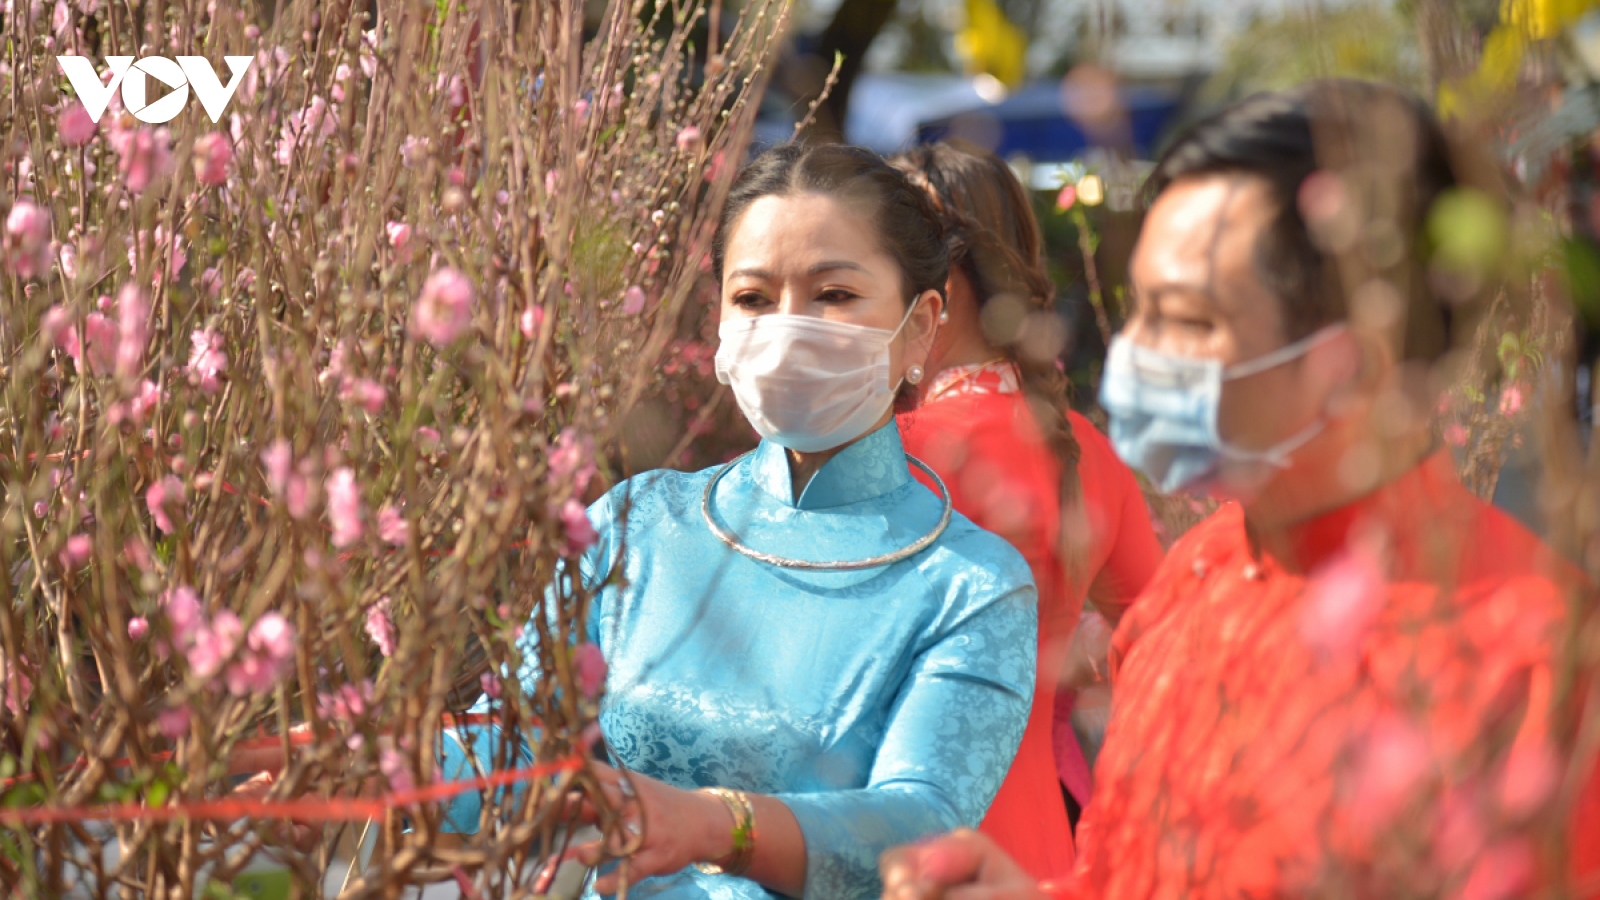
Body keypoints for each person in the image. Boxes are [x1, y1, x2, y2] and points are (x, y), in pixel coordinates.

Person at [879, 79, 1600, 899]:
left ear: (1353, 359)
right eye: (1138, 311)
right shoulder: (1193, 583)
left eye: (1186, 321)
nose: (1135, 357)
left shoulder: (1536, 667)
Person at [442, 143, 1039, 900]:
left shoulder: (970, 585)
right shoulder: (637, 522)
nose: (789, 329)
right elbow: (516, 748)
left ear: (921, 328)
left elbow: (920, 829)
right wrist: (363, 772)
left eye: (834, 295)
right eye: (754, 298)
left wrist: (715, 824)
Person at [888, 142, 1162, 880]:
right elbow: (1169, 637)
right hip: (1047, 856)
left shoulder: (893, 456)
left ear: (940, 277)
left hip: (911, 854)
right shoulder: (1086, 448)